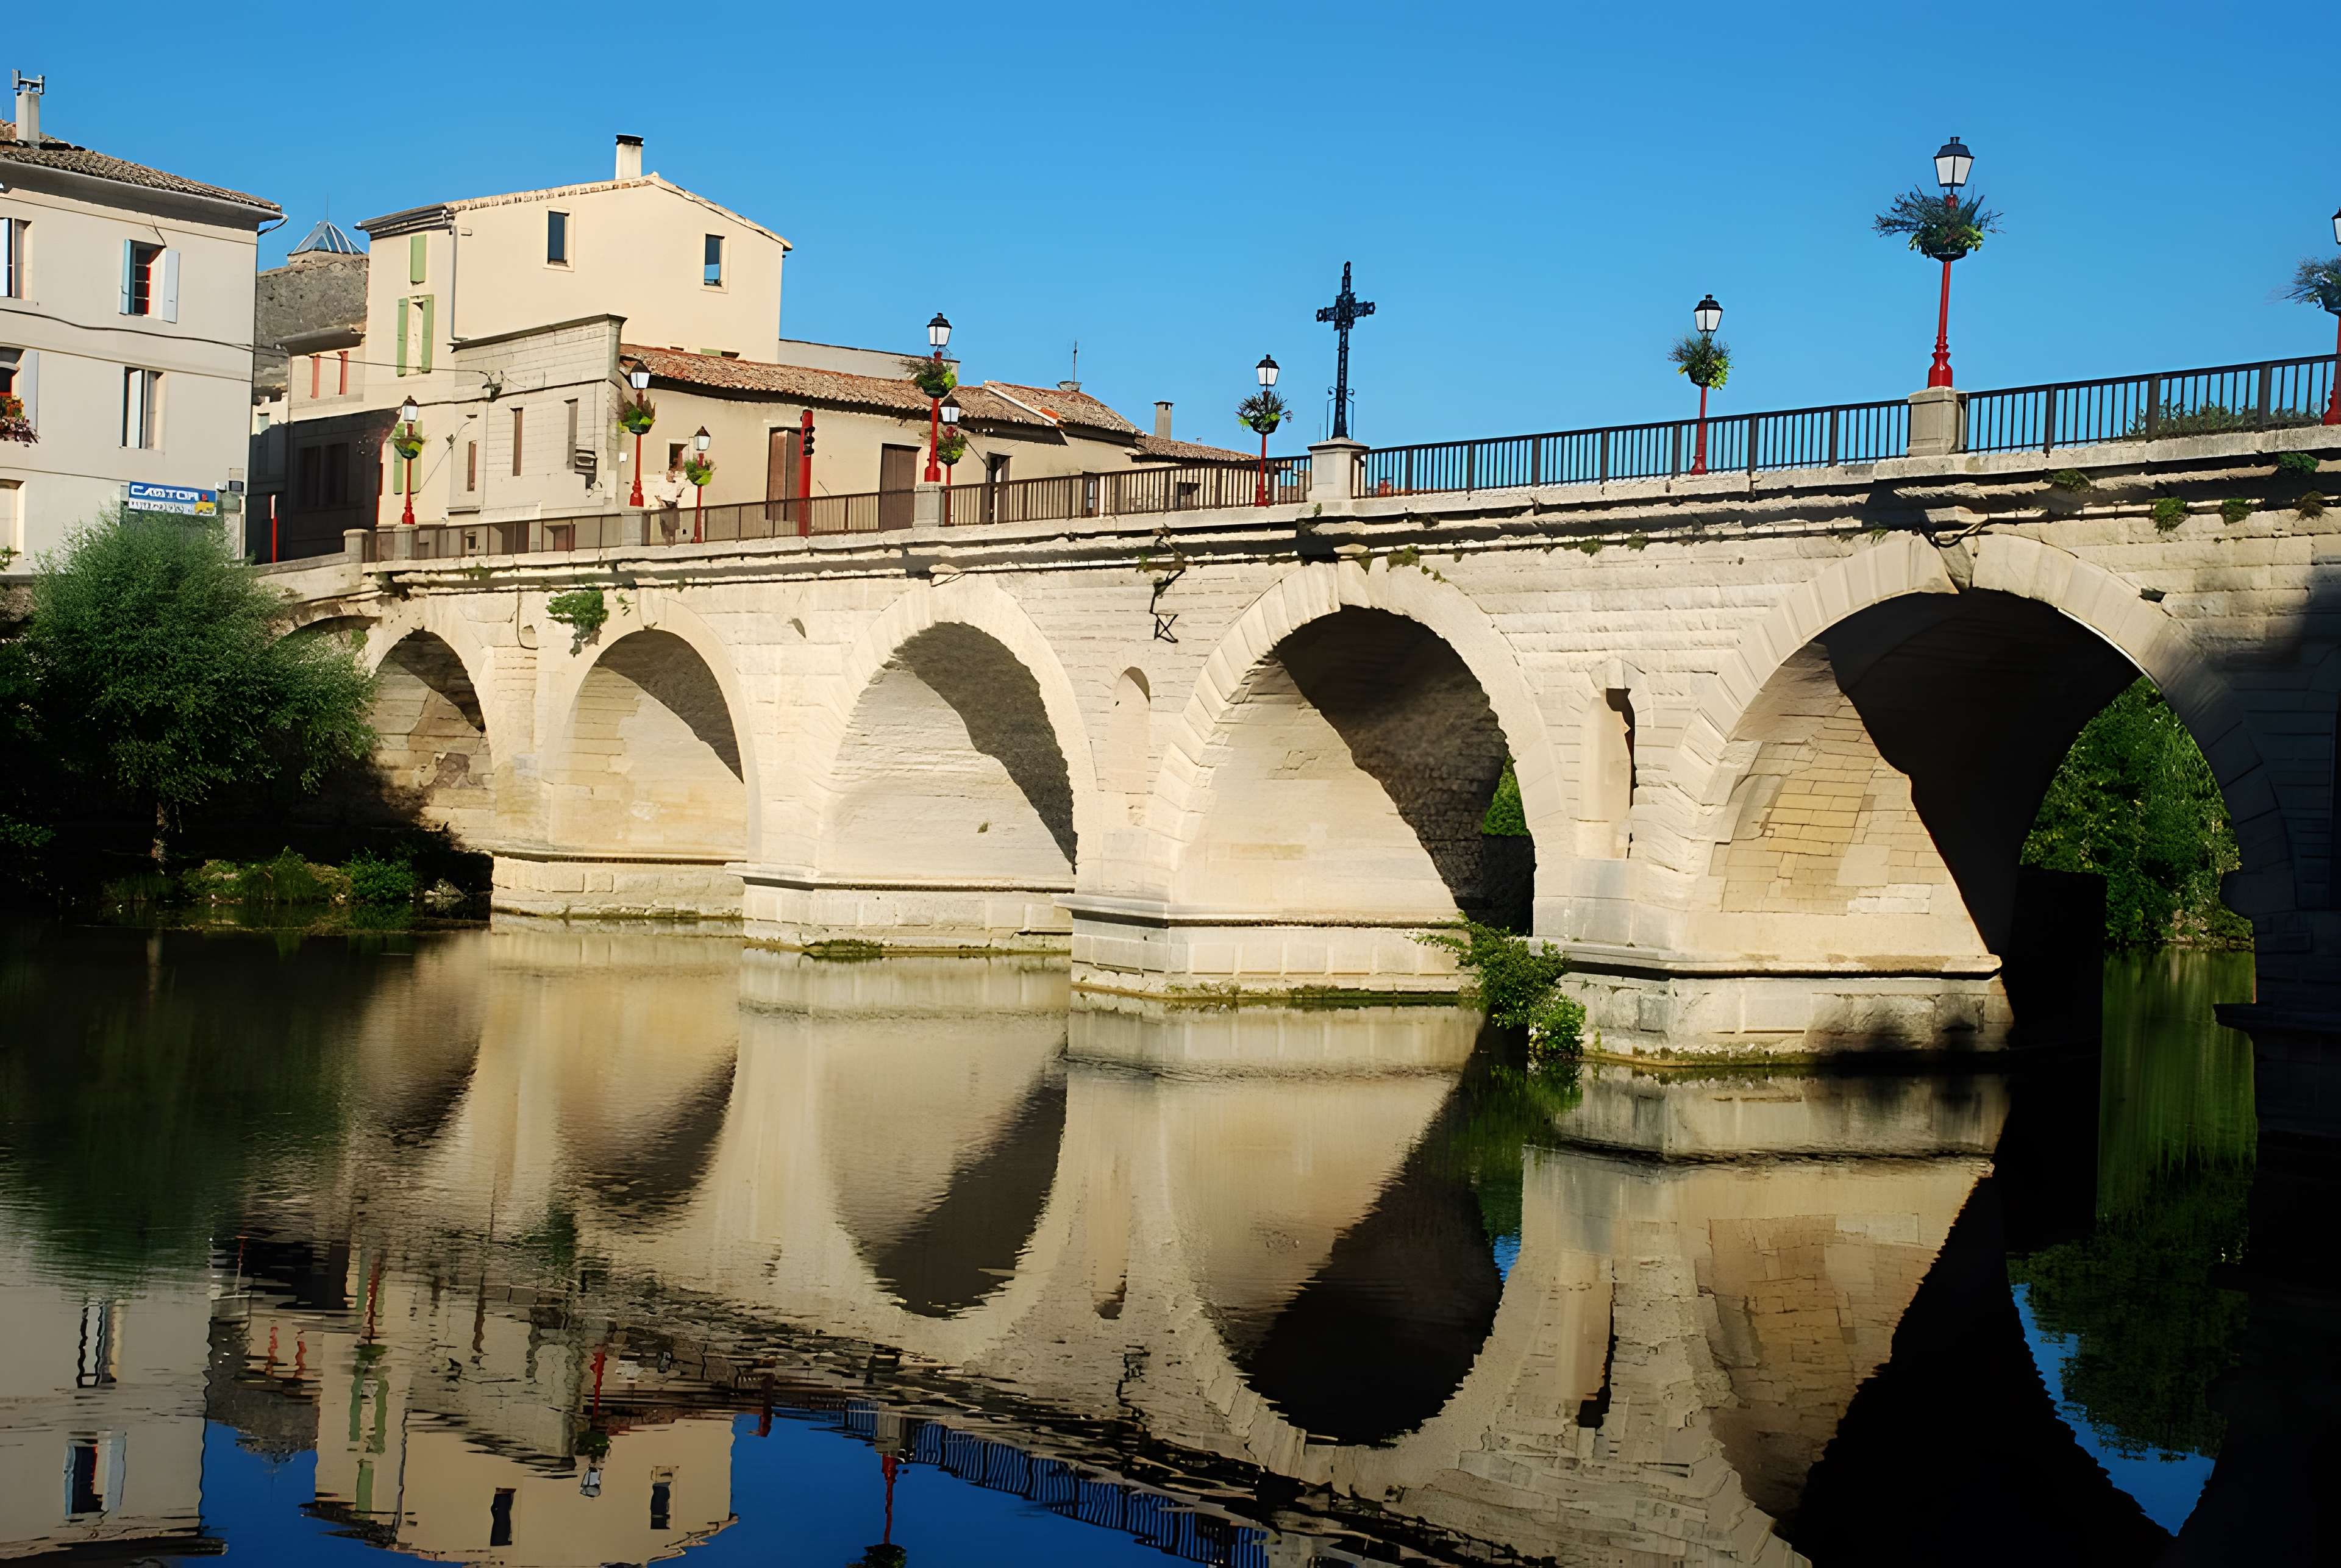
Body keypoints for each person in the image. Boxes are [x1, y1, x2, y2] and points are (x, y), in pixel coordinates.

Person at [650, 453, 689, 543]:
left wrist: (683, 487)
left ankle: (672, 540)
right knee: (665, 523)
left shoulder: (676, 484)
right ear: (667, 474)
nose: (672, 475)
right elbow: (657, 494)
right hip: (665, 503)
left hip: (673, 504)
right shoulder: (662, 483)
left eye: (673, 474)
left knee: (673, 523)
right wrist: (661, 502)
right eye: (671, 473)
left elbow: (678, 494)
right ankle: (666, 540)